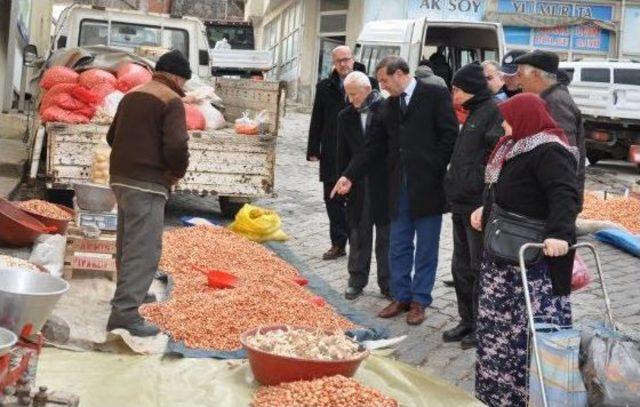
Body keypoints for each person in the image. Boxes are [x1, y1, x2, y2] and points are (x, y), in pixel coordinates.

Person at [470, 93, 580, 406]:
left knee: (528, 333)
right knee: (498, 331)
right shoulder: (514, 146)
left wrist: (559, 234)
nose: (501, 124)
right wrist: (486, 209)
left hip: (533, 262)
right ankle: (498, 395)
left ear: (524, 118)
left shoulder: (549, 150)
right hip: (503, 258)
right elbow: (507, 190)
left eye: (506, 118)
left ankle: (533, 396)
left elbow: (564, 196)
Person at [333, 56, 459, 325]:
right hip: (396, 188)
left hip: (428, 188)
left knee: (426, 247)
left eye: (384, 80)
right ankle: (401, 296)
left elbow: (449, 135)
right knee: (398, 245)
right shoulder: (387, 106)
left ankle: (419, 300)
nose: (382, 86)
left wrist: (434, 166)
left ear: (401, 74)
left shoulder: (435, 94)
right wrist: (349, 175)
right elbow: (372, 147)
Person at [106, 50, 191, 336]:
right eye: (184, 80)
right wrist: (176, 172)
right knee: (144, 249)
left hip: (120, 178)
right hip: (147, 182)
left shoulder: (134, 94)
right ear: (177, 76)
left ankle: (134, 295)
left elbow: (110, 136)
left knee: (127, 242)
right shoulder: (171, 100)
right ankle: (124, 314)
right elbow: (177, 145)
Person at [443, 62, 504, 349]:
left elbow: (496, 156)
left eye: (457, 88)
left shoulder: (492, 111)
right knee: (460, 267)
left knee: (477, 267)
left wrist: (476, 185)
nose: (453, 93)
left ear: (470, 89)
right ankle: (466, 320)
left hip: (477, 204)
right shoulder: (473, 112)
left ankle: (481, 326)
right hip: (460, 201)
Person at [336, 71, 390, 300]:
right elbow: (343, 153)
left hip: (384, 181)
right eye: (348, 95)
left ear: (368, 90)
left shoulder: (387, 110)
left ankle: (388, 283)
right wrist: (344, 178)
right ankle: (356, 279)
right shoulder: (345, 116)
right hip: (358, 183)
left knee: (386, 236)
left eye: (354, 94)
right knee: (359, 232)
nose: (351, 99)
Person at [515, 50, 585, 207]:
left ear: (534, 74)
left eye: (520, 75)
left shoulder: (555, 103)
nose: (518, 82)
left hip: (551, 203)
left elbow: (562, 160)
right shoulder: (547, 99)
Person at [307, 45, 355, 260]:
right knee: (332, 198)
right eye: (339, 61)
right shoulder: (325, 86)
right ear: (333, 63)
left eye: (347, 59)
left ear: (353, 59)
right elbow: (317, 118)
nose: (344, 64)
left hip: (357, 152)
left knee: (357, 200)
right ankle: (338, 243)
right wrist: (312, 148)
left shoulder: (367, 83)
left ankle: (357, 242)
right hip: (332, 150)